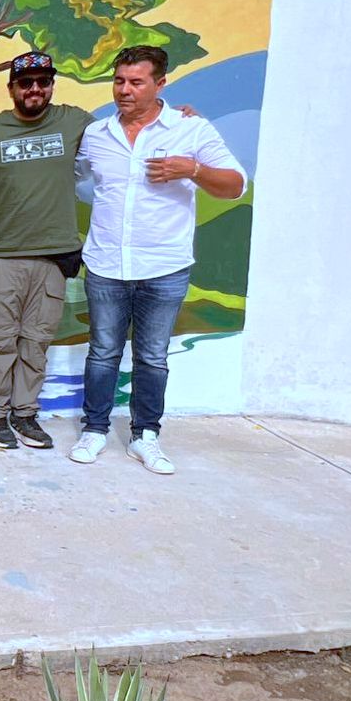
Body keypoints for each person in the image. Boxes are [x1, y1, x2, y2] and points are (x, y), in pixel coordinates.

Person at [70, 46, 245, 475]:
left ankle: (145, 435)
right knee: (102, 352)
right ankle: (94, 429)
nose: (124, 90)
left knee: (152, 356)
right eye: (119, 81)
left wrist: (194, 170)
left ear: (160, 84)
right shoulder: (97, 134)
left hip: (164, 266)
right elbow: (72, 176)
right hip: (107, 262)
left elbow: (235, 185)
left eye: (136, 82)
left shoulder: (191, 130)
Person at [0, 52, 93, 452]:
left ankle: (25, 413)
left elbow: (129, 128)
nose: (35, 89)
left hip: (54, 255)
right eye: (26, 82)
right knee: (0, 342)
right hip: (3, 254)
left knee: (36, 343)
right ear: (12, 88)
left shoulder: (75, 122)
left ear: (52, 85)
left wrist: (177, 118)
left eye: (43, 81)